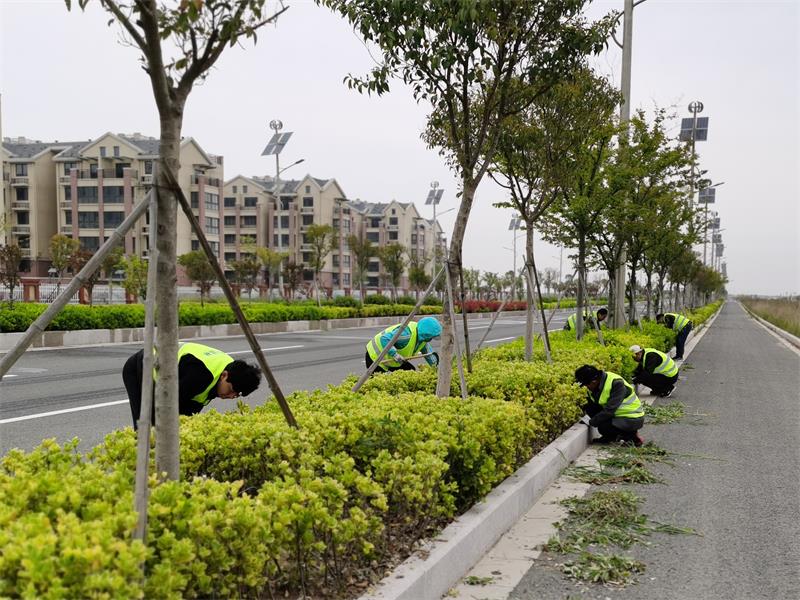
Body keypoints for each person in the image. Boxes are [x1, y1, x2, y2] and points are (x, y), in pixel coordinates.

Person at [123, 341, 262, 429]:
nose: (231, 396)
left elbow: (188, 414)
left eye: (236, 395)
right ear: (224, 375)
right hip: (141, 367)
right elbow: (166, 405)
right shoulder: (200, 375)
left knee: (183, 427)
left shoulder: (232, 370)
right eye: (231, 390)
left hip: (176, 382)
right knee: (147, 428)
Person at [574, 364, 645, 446]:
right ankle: (611, 437)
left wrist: (591, 422)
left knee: (604, 427)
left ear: (594, 381)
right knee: (589, 407)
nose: (586, 387)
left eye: (586, 385)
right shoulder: (597, 384)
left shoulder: (616, 383)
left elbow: (610, 410)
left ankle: (632, 437)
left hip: (632, 418)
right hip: (618, 415)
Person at [365, 316, 442, 372]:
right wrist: (395, 355)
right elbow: (385, 339)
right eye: (431, 337)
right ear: (425, 334)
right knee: (380, 382)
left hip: (391, 359)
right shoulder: (406, 335)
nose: (431, 339)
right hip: (375, 356)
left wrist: (437, 368)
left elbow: (429, 355)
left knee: (410, 371)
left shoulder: (422, 339)